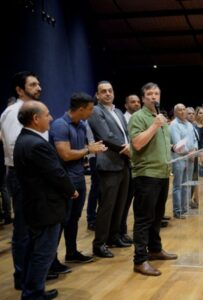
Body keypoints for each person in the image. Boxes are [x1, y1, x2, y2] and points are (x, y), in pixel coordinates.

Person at [14, 100, 77, 299]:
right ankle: (33, 294)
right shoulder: (36, 144)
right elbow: (56, 173)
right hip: (45, 208)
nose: (50, 118)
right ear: (35, 119)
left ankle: (32, 289)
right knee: (43, 253)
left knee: (34, 251)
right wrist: (70, 190)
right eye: (47, 114)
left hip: (34, 206)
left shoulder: (23, 139)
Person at [49, 92, 107, 265]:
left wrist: (88, 150)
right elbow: (65, 154)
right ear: (81, 109)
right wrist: (89, 150)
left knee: (73, 219)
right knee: (61, 220)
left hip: (79, 178)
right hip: (64, 181)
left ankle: (72, 252)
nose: (92, 112)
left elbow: (81, 150)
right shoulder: (60, 125)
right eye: (90, 109)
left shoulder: (81, 125)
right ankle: (52, 260)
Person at [0, 71, 43, 289]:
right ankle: (21, 276)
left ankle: (33, 275)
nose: (39, 88)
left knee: (35, 228)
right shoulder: (13, 112)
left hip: (34, 175)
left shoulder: (31, 111)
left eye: (38, 84)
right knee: (23, 229)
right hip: (22, 176)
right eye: (33, 84)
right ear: (19, 90)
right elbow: (15, 147)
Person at [129, 82, 177, 276]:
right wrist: (155, 125)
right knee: (143, 219)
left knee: (157, 216)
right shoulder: (138, 117)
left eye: (157, 93)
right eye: (150, 94)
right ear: (143, 98)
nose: (154, 97)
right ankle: (139, 260)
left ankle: (155, 249)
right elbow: (138, 144)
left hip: (162, 173)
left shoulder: (161, 117)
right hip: (146, 175)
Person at [88, 81, 131, 258]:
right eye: (103, 91)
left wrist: (129, 146)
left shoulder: (118, 111)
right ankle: (99, 244)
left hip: (123, 163)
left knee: (120, 204)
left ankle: (114, 237)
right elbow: (105, 136)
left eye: (110, 91)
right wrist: (125, 148)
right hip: (109, 164)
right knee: (107, 206)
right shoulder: (96, 111)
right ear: (97, 95)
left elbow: (126, 133)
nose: (107, 94)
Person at [120, 94, 142, 243]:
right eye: (132, 102)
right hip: (125, 162)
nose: (136, 104)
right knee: (123, 201)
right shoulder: (123, 118)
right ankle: (121, 231)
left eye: (138, 102)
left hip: (138, 164)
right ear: (126, 105)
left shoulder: (139, 118)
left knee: (133, 201)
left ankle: (125, 231)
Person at [169, 103, 197, 218]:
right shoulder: (174, 125)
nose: (182, 111)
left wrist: (194, 149)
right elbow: (177, 143)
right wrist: (189, 152)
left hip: (190, 157)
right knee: (178, 185)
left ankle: (185, 208)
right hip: (179, 158)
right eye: (179, 110)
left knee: (187, 184)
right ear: (175, 112)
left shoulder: (189, 124)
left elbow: (194, 139)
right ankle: (177, 210)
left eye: (184, 109)